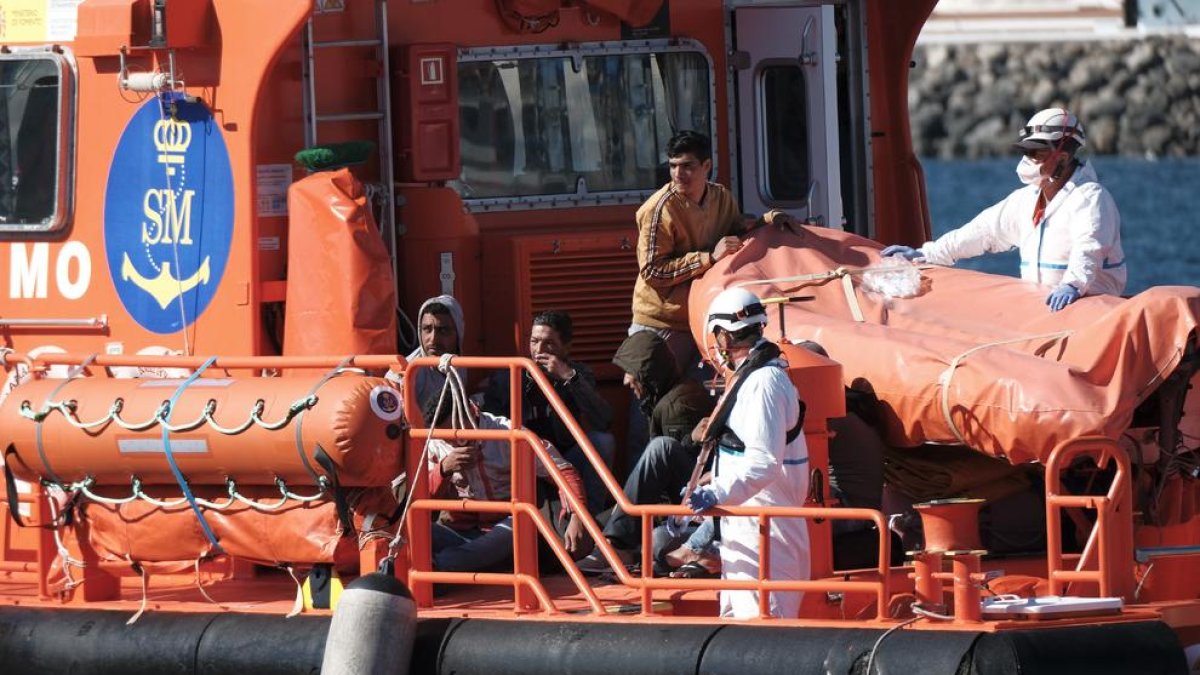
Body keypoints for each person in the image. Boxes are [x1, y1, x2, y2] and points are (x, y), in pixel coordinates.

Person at [882, 108, 1125, 312]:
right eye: (1026, 152)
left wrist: (1073, 285)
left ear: (1061, 158)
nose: (1028, 160)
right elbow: (982, 232)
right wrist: (928, 254)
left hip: (1089, 309)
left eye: (1036, 153)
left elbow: (1089, 246)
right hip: (1045, 309)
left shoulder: (1091, 197)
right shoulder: (1026, 199)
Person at [686, 287, 810, 619]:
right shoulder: (755, 377)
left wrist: (716, 491)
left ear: (724, 336)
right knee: (739, 622)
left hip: (766, 531)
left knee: (765, 629)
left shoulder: (763, 383)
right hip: (749, 525)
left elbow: (764, 462)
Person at [630, 130, 796, 375]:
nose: (678, 174)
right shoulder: (658, 210)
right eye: (673, 166)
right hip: (660, 323)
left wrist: (769, 220)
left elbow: (737, 237)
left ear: (706, 166)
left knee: (694, 402)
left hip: (703, 319)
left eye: (687, 166)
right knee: (650, 405)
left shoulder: (721, 197)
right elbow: (652, 271)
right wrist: (708, 258)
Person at [575, 331, 715, 574]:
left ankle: (619, 547)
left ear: (649, 374)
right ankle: (617, 545)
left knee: (661, 448)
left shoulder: (677, 405)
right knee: (589, 531)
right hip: (679, 505)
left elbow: (670, 480)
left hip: (690, 508)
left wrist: (636, 526)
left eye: (631, 372)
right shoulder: (664, 398)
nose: (626, 382)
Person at [422, 394, 590, 572]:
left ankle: (439, 568)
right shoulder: (433, 443)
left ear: (473, 412)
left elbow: (562, 471)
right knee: (414, 529)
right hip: (458, 530)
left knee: (519, 526)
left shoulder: (508, 433)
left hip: (505, 528)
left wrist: (577, 515)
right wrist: (443, 470)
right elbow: (419, 498)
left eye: (457, 431)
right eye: (446, 436)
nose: (453, 440)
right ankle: (466, 564)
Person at [482, 310, 615, 514]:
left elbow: (603, 420)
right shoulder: (508, 376)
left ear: (566, 347)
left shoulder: (576, 374)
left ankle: (592, 520)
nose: (539, 350)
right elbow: (488, 429)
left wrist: (569, 378)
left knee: (603, 441)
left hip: (564, 457)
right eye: (534, 341)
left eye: (549, 344)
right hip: (522, 461)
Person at [403, 295, 467, 405]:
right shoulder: (407, 374)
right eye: (427, 329)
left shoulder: (458, 364)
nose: (433, 339)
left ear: (458, 333)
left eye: (443, 331)